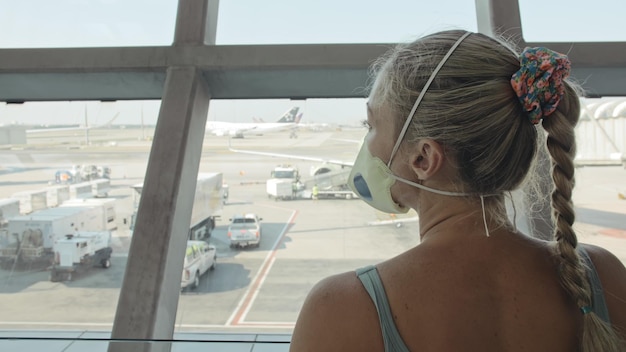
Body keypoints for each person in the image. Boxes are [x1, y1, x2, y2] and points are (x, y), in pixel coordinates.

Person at [290, 30, 626, 352]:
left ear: (423, 158)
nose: (367, 142)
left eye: (372, 125)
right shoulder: (601, 276)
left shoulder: (342, 308)